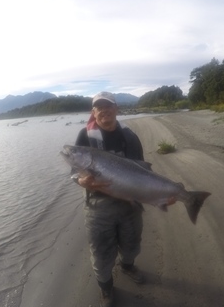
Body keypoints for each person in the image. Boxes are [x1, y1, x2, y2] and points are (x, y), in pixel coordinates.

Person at [74, 91, 145, 307]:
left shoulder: (130, 136)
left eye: (109, 105)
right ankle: (106, 288)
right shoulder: (85, 137)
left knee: (132, 244)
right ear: (93, 112)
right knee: (101, 253)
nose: (104, 110)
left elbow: (142, 171)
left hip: (129, 202)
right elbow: (74, 172)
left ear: (116, 109)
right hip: (98, 206)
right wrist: (80, 181)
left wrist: (160, 196)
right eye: (99, 106)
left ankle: (127, 265)